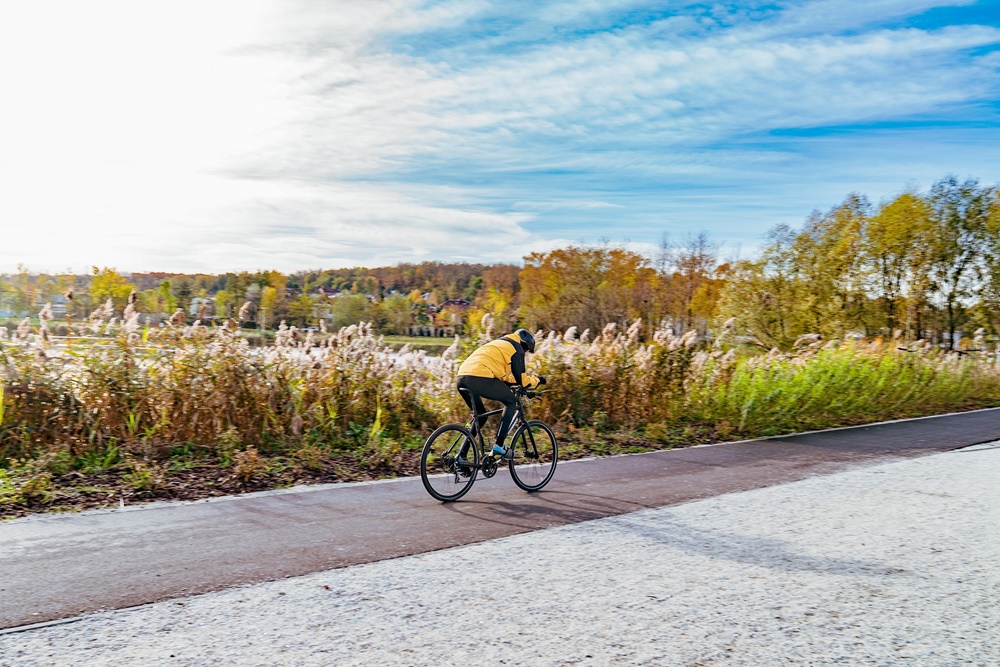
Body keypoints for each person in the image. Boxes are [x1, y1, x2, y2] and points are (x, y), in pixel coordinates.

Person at [456, 328, 546, 460]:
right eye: (527, 350)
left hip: (462, 377)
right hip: (480, 376)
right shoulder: (517, 349)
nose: (525, 353)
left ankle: (461, 457)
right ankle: (499, 444)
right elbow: (522, 381)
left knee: (480, 416)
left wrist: (518, 383)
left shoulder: (501, 344)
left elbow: (505, 378)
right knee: (512, 402)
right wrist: (538, 380)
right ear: (524, 345)